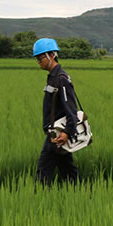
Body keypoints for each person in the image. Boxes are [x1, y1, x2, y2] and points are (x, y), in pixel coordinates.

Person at [33, 38, 80, 185]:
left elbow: (71, 109)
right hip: (55, 133)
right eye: (37, 59)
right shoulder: (52, 78)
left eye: (41, 58)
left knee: (43, 170)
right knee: (68, 171)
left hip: (58, 135)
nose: (39, 61)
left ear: (51, 56)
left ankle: (37, 199)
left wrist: (67, 132)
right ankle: (82, 195)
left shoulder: (61, 79)